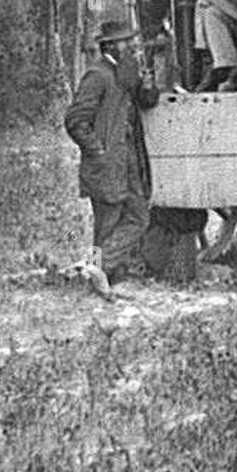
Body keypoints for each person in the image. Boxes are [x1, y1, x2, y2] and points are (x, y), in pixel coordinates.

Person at [64, 19, 160, 284]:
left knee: (139, 216)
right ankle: (100, 275)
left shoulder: (125, 71)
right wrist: (98, 150)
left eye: (130, 40)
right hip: (107, 161)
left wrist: (148, 86)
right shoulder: (98, 74)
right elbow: (75, 120)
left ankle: (96, 269)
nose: (130, 45)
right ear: (109, 46)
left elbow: (145, 102)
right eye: (124, 41)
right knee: (107, 224)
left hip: (127, 158)